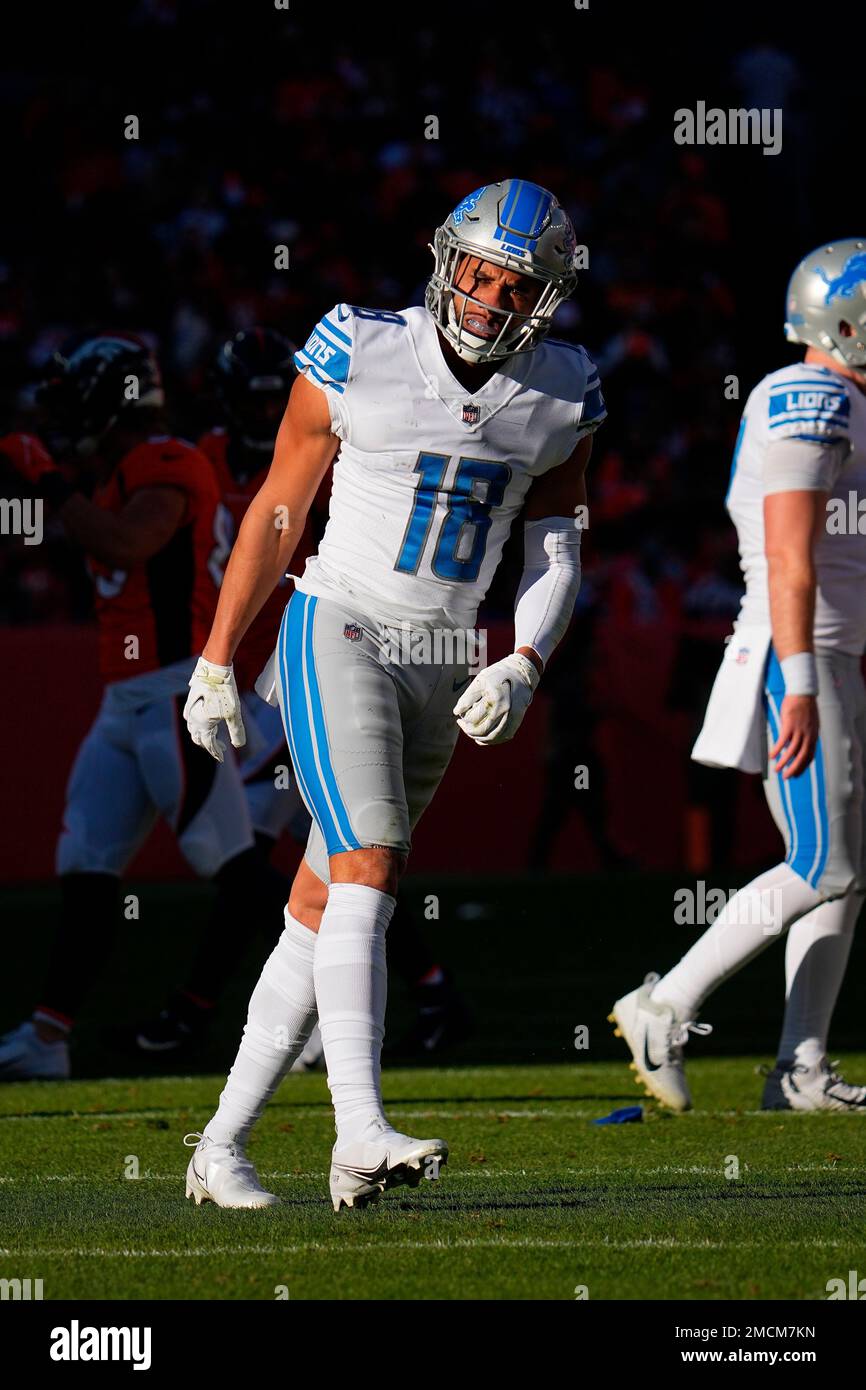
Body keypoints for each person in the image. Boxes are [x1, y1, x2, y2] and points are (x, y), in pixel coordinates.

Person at [181, 178, 606, 1210]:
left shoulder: (562, 388)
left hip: (448, 654)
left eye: (516, 286)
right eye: (479, 273)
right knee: (368, 858)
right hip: (341, 624)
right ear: (443, 259)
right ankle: (358, 1130)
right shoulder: (357, 346)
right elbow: (280, 509)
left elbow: (558, 548)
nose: (491, 298)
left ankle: (219, 1147)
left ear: (543, 297)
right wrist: (216, 655)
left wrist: (522, 659)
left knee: (323, 902)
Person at [611, 239, 866, 1113]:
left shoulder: (846, 400)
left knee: (844, 868)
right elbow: (790, 558)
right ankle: (665, 1004)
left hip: (829, 654)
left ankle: (800, 1067)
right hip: (795, 654)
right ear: (844, 322)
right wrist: (798, 679)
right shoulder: (812, 396)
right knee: (823, 865)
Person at [0, 335, 270, 1079]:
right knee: (86, 857)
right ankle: (47, 1038)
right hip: (127, 702)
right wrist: (27, 496)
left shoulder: (166, 460)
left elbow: (125, 543)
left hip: (180, 692)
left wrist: (47, 480)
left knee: (236, 874)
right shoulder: (114, 473)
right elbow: (38, 539)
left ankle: (293, 1016)